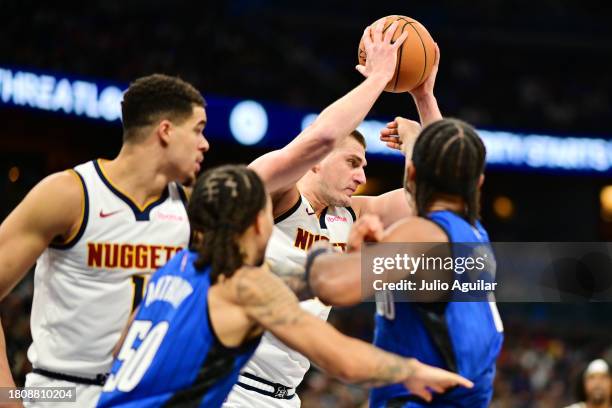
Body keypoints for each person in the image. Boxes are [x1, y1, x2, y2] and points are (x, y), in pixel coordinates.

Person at [96, 164, 473, 408]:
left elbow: (117, 349)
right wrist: (412, 371)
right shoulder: (246, 286)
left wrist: (342, 268)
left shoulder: (174, 270)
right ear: (259, 224)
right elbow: (340, 358)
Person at [224, 21, 442, 407]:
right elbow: (320, 138)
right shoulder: (272, 196)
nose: (361, 176)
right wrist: (378, 77)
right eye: (352, 162)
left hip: (284, 395)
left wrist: (423, 99)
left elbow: (440, 196)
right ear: (316, 163)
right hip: (231, 384)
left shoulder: (350, 215)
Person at [0, 74, 209, 407]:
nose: (205, 144)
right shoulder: (71, 194)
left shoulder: (190, 208)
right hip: (61, 390)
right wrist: (4, 394)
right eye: (198, 129)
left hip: (146, 394)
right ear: (166, 131)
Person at [307, 118, 504, 407]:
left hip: (421, 397)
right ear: (479, 182)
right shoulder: (474, 232)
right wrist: (422, 102)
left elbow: (333, 288)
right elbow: (448, 155)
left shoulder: (421, 234)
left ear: (410, 173)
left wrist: (321, 252)